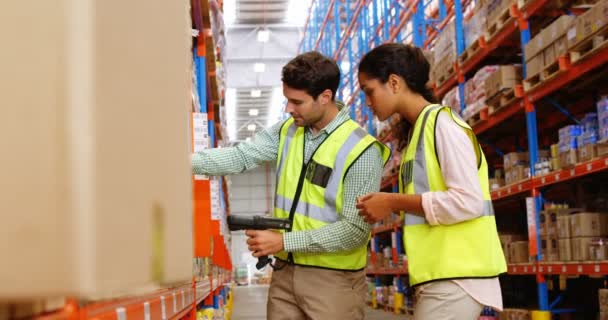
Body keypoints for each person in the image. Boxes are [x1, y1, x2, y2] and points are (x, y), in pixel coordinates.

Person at [192, 51, 390, 320]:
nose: (288, 109)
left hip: (332, 282)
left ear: (325, 97)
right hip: (285, 274)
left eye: (297, 102)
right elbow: (240, 156)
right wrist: (181, 164)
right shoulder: (288, 131)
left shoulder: (362, 150)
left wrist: (284, 240)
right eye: (287, 100)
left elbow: (354, 231)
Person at [355, 43, 506, 320]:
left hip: (458, 276)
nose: (367, 101)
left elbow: (468, 202)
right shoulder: (418, 134)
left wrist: (392, 201)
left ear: (394, 83)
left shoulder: (442, 126)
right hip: (441, 275)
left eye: (369, 91)